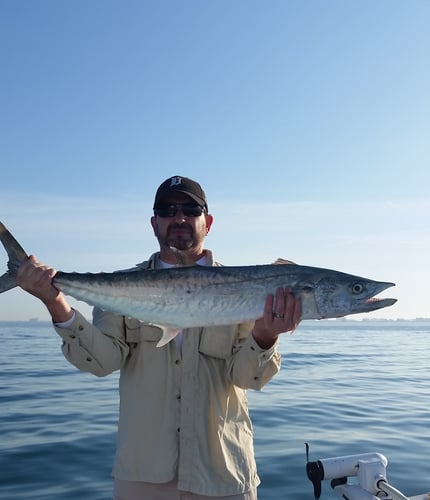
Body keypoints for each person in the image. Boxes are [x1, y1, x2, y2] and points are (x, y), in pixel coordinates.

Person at [17, 175, 301, 500]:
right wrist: (54, 301)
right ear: (154, 223)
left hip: (223, 476)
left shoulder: (247, 288)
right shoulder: (121, 285)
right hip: (142, 479)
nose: (178, 217)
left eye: (190, 209)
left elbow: (246, 377)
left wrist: (265, 336)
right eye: (167, 210)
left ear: (207, 222)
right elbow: (102, 361)